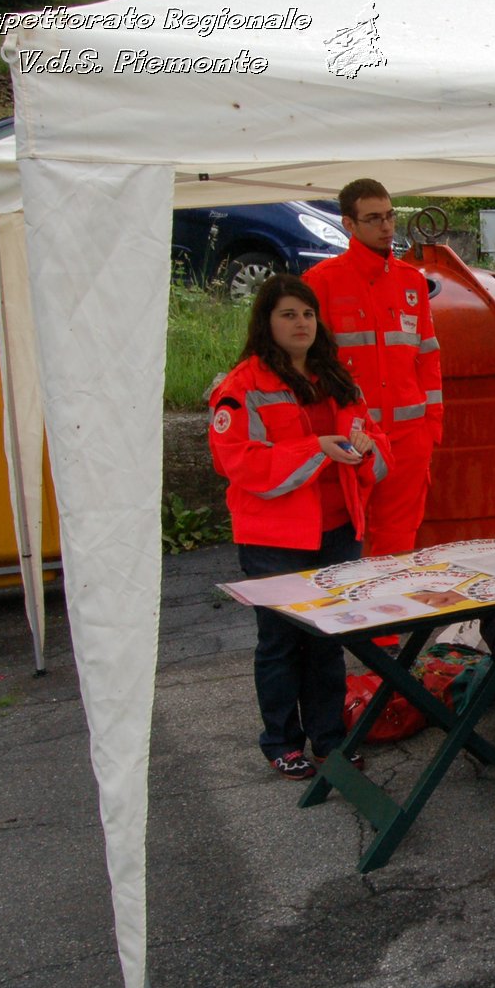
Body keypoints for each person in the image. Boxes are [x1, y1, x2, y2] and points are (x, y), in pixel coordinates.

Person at [209, 275, 392, 780]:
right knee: (281, 643)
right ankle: (281, 742)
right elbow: (236, 461)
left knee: (327, 640)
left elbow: (372, 436)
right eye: (288, 314)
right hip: (274, 540)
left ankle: (330, 739)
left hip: (337, 529)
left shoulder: (336, 377)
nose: (301, 323)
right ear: (267, 322)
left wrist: (367, 446)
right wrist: (316, 450)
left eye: (308, 314)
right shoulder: (241, 386)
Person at [304, 178, 440, 560]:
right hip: (353, 441)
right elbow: (311, 364)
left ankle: (393, 621)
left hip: (409, 439)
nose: (386, 227)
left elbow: (428, 357)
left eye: (391, 216)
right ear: (349, 224)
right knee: (348, 544)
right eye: (374, 218)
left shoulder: (411, 282)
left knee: (398, 544)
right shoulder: (321, 282)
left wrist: (432, 425)